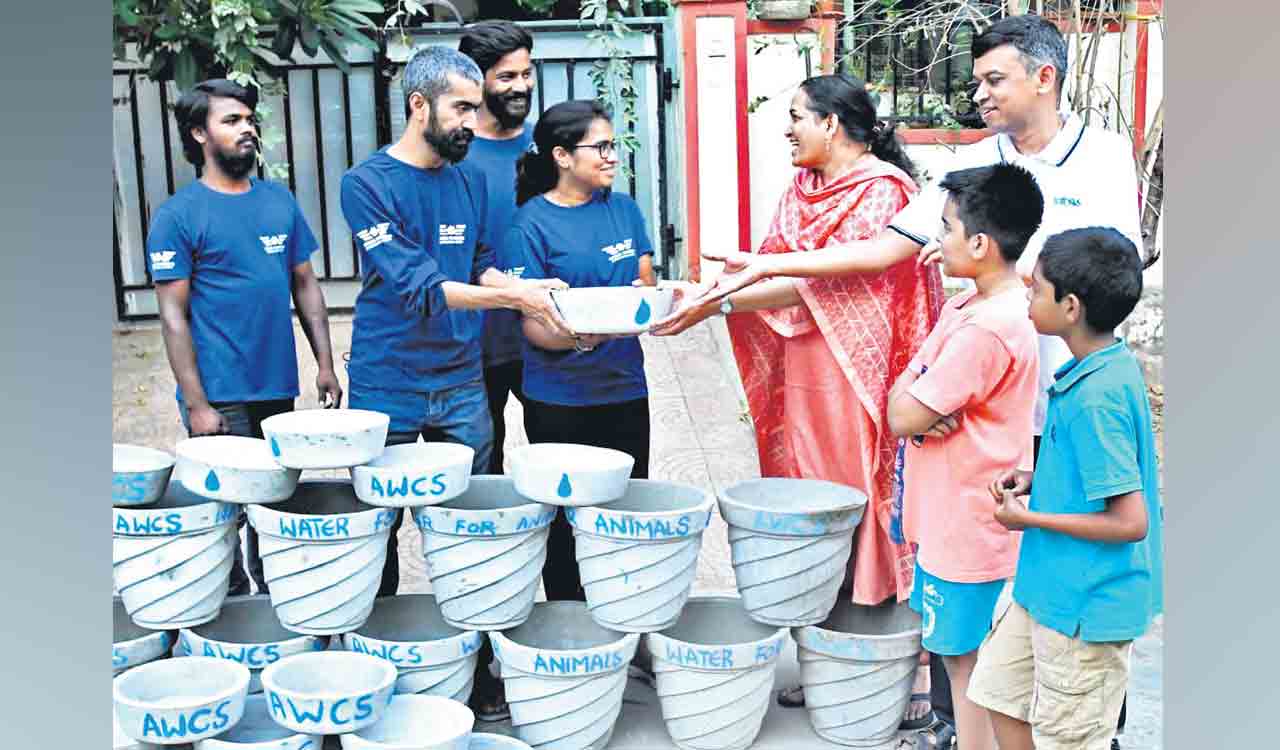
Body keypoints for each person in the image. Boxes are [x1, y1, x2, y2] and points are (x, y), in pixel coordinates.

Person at [653, 73, 943, 720]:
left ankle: (914, 667)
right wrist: (706, 300)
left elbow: (824, 280)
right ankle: (827, 662)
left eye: (796, 116)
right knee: (812, 512)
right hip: (803, 375)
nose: (787, 130)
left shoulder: (883, 190)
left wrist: (717, 301)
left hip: (863, 382)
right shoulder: (802, 189)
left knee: (871, 506)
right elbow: (774, 274)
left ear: (831, 124)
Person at [338, 46, 572, 603]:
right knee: (376, 530)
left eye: (475, 107)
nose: (473, 121)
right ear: (419, 105)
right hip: (386, 383)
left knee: (473, 528)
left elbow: (477, 265)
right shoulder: (365, 184)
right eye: (461, 108)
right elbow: (421, 288)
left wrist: (528, 288)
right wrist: (515, 301)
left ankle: (477, 641)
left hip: (462, 382)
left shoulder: (469, 179)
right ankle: (380, 635)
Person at [968, 227, 1163, 750]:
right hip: (1046, 587)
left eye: (1036, 289)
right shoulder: (1092, 367)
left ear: (1070, 307)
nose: (1027, 295)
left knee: (1068, 737)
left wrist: (1027, 518)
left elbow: (1130, 521)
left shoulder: (1098, 398)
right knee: (998, 695)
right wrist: (1037, 480)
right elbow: (1095, 474)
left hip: (1085, 609)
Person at [148, 78, 343, 597]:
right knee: (222, 512)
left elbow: (305, 284)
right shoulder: (178, 216)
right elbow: (173, 317)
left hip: (275, 389)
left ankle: (275, 606)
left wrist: (324, 364)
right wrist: (197, 404)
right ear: (199, 134)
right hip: (220, 395)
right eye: (231, 121)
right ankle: (229, 610)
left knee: (274, 505)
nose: (247, 129)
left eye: (250, 120)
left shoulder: (279, 202)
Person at [886, 162, 1044, 750]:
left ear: (980, 244)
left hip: (967, 529)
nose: (937, 241)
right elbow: (906, 396)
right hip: (954, 519)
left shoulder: (986, 328)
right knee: (964, 661)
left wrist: (913, 397)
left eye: (946, 228)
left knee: (968, 667)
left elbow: (901, 414)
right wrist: (913, 394)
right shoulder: (970, 308)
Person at [505, 99, 657, 603]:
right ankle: (568, 620)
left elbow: (644, 284)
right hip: (559, 399)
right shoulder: (529, 224)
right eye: (601, 147)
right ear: (562, 156)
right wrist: (592, 333)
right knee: (566, 525)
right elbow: (535, 328)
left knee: (624, 513)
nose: (612, 156)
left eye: (613, 146)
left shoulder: (624, 210)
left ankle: (624, 612)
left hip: (625, 390)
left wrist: (640, 304)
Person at [459, 21, 538, 475]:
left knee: (555, 463)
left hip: (542, 334)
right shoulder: (453, 153)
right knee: (482, 475)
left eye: (526, 73)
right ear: (477, 79)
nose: (521, 86)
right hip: (473, 342)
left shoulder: (549, 147)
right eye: (506, 76)